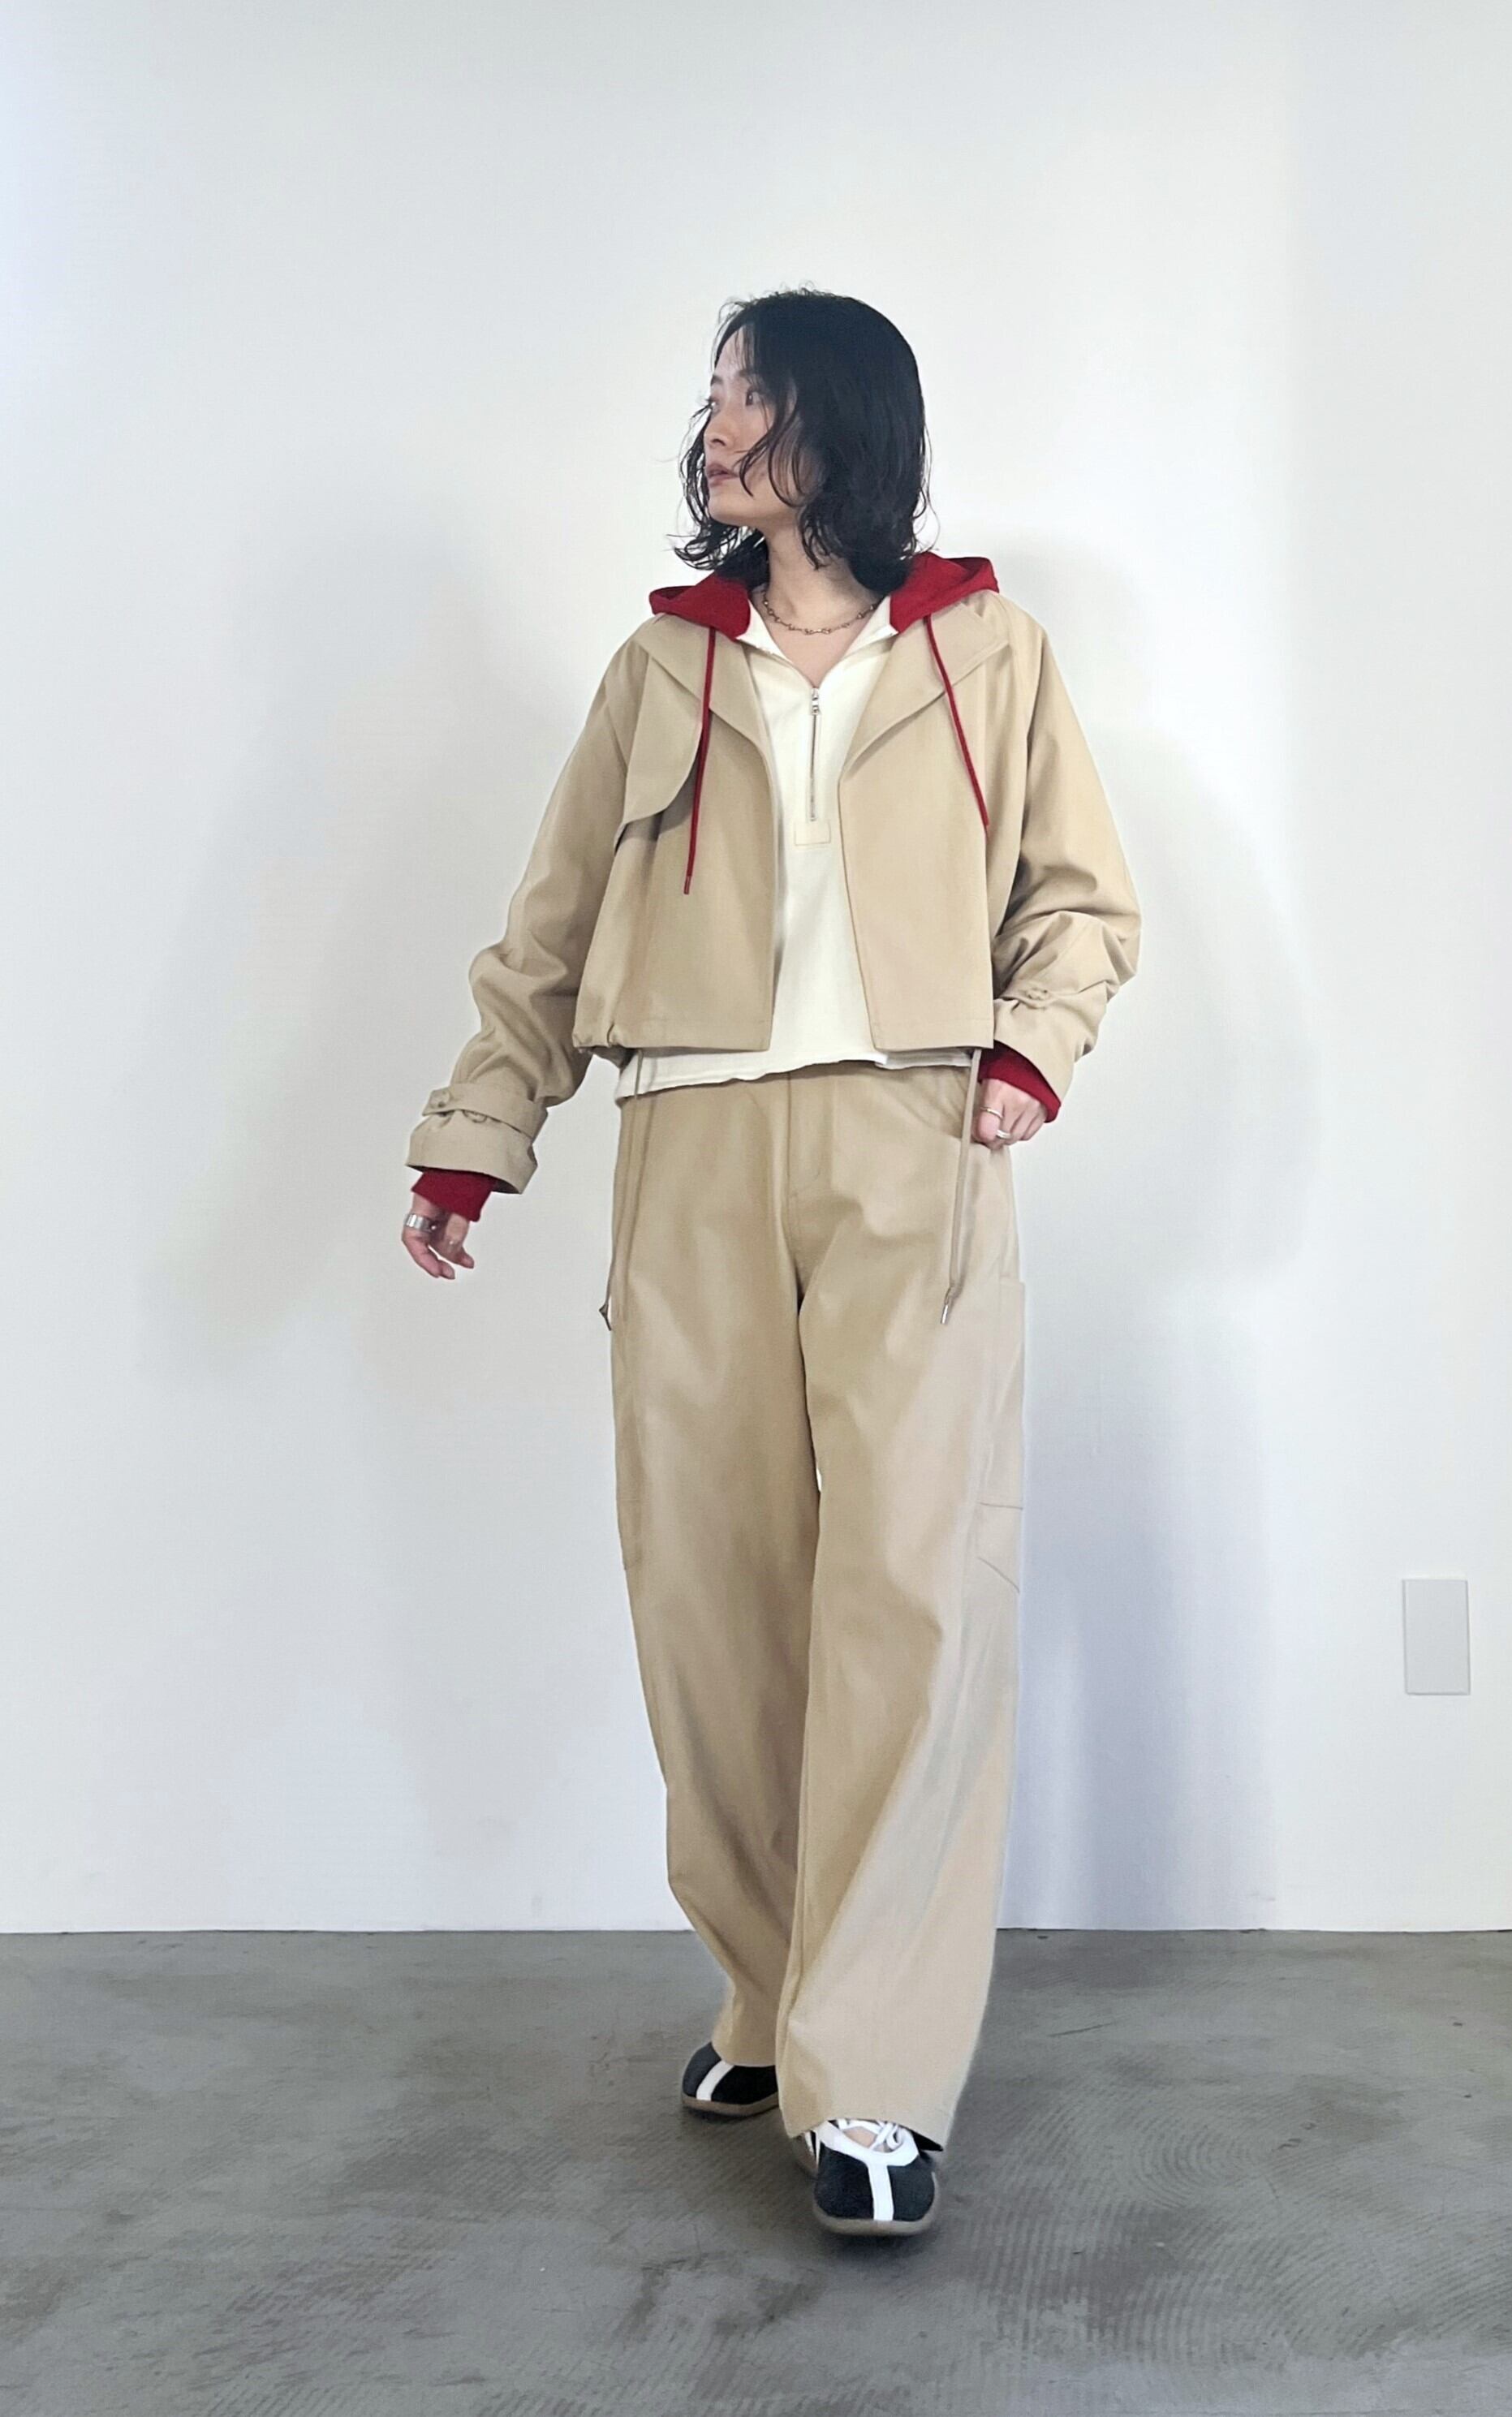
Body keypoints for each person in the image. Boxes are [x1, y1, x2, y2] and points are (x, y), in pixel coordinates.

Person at [400, 287, 1142, 2239]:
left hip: (916, 1143)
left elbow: (1083, 900)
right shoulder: (664, 664)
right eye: (716, 391)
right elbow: (550, 929)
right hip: (694, 1146)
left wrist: (1029, 1049)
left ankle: (872, 2072)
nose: (716, 420)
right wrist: (480, 1133)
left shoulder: (987, 649)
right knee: (711, 1598)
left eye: (749, 390)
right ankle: (771, 1982)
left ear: (836, 422)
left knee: (910, 1589)